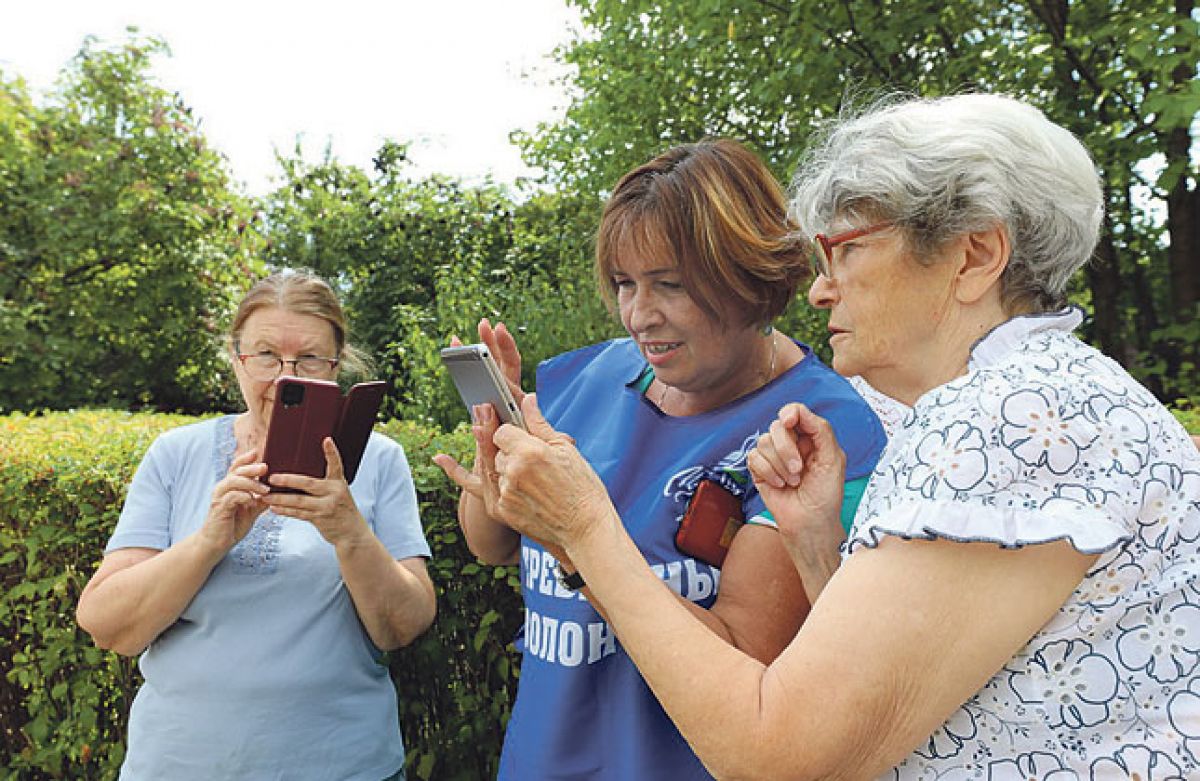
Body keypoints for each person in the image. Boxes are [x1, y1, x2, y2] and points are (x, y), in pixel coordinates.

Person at [477, 94, 1200, 779]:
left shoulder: (1015, 419)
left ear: (975, 255)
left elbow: (777, 751)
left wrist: (584, 528)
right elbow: (896, 691)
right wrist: (819, 549)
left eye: (848, 249)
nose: (821, 289)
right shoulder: (1038, 396)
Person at [434, 139, 886, 779]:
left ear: (750, 277)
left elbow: (746, 656)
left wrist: (578, 539)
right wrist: (496, 453)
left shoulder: (820, 430)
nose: (639, 316)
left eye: (669, 285)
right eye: (625, 284)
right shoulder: (582, 379)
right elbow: (495, 546)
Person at [76, 270, 436, 781]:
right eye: (266, 355)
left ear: (337, 366)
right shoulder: (176, 454)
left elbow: (404, 627)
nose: (285, 376)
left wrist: (349, 533)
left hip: (344, 766)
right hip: (179, 766)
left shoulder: (379, 460)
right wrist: (209, 541)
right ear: (236, 358)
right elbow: (107, 626)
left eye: (309, 358)